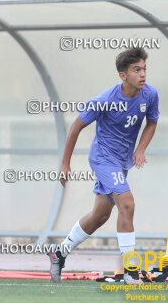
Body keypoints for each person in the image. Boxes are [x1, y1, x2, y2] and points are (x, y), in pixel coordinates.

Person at [47, 47, 159, 284]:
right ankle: (130, 271)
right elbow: (76, 127)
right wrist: (65, 163)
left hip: (121, 161)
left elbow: (152, 122)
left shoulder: (150, 95)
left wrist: (140, 149)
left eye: (144, 69)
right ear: (123, 75)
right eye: (136, 70)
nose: (142, 75)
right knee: (127, 204)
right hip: (102, 158)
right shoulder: (104, 100)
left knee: (100, 215)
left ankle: (59, 253)